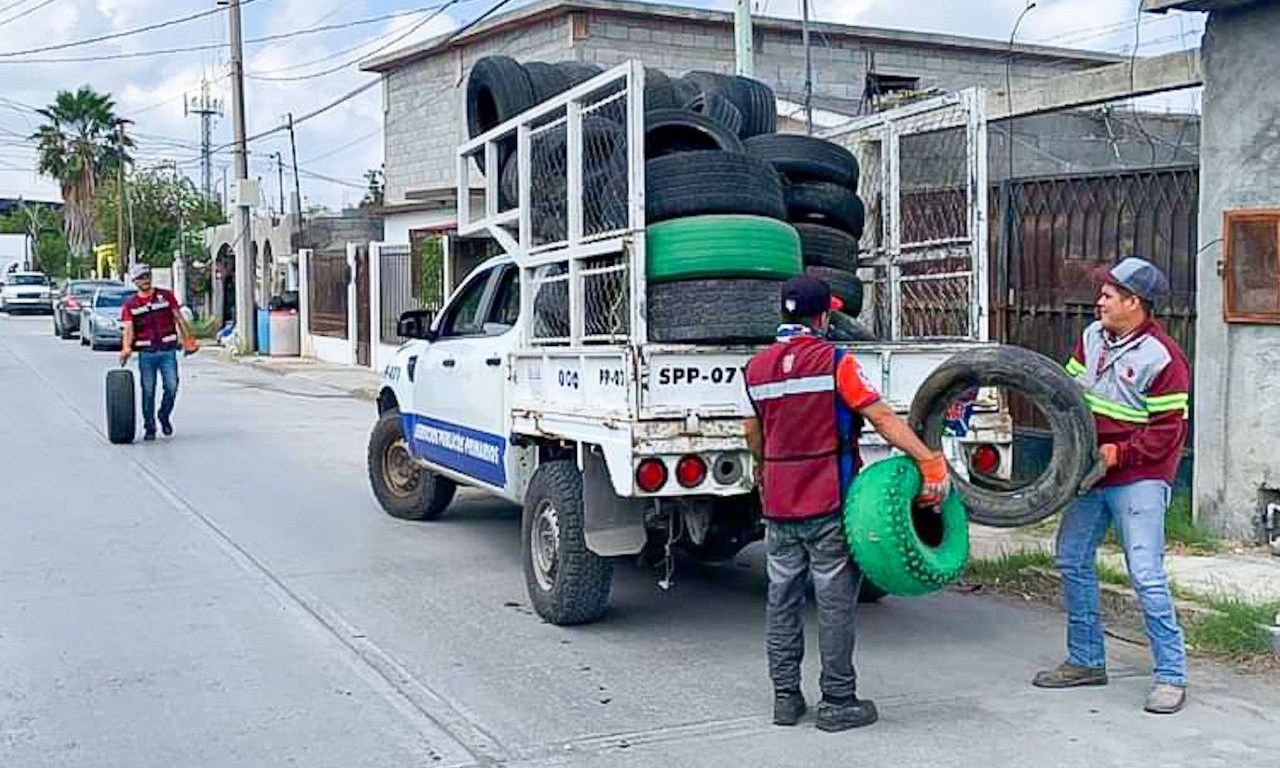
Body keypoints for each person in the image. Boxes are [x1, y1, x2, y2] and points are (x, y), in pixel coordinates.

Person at [742, 275, 951, 732]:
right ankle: (837, 701)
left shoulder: (755, 369)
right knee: (834, 604)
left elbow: (752, 434)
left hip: (778, 505)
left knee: (781, 601)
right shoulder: (836, 362)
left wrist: (766, 468)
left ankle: (785, 699)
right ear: (822, 317)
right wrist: (928, 459)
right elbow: (881, 418)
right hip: (828, 503)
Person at [1033, 256, 1191, 715]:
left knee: (1145, 574)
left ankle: (1171, 676)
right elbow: (1068, 391)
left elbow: (1168, 432)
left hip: (1138, 477)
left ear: (1133, 302)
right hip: (1090, 471)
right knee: (1072, 558)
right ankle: (1086, 660)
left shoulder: (1163, 358)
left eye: (1108, 294)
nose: (1099, 301)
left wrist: (1120, 454)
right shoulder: (1092, 337)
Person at [119, 263, 198, 441]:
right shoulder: (131, 305)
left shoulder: (165, 296)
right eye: (140, 278)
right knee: (148, 391)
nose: (145, 280)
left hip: (167, 351)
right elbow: (128, 328)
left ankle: (163, 415)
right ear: (135, 281)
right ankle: (150, 427)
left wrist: (188, 340)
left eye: (147, 276)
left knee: (172, 386)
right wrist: (126, 348)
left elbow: (179, 318)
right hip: (146, 353)